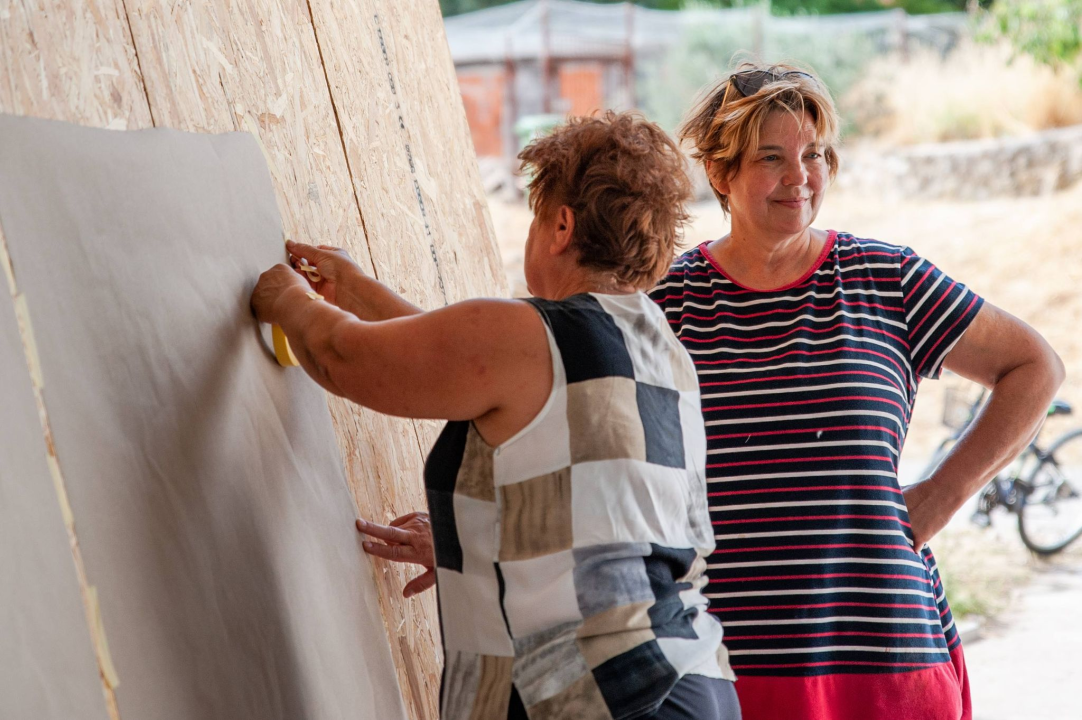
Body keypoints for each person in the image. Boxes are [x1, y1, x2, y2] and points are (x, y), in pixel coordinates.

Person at [251, 112, 740, 720]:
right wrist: (351, 291)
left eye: (537, 217)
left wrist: (285, 299)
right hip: (691, 684)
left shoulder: (530, 336)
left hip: (609, 697)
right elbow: (468, 367)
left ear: (561, 225)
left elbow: (346, 361)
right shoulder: (658, 350)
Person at [645, 62, 1064, 720]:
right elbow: (588, 438)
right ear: (721, 174)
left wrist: (939, 495)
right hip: (724, 662)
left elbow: (1034, 366)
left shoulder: (887, 278)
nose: (800, 177)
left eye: (814, 154)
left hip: (886, 661)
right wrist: (486, 529)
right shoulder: (667, 304)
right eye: (772, 158)